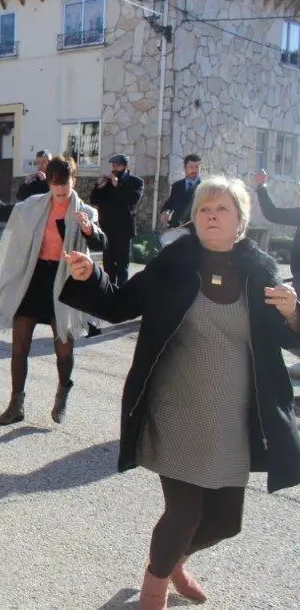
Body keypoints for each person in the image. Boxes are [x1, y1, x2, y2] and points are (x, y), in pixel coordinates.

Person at [61, 175, 300, 609]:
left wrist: (293, 313)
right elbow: (120, 303)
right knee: (185, 512)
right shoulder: (175, 262)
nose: (211, 215)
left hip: (232, 417)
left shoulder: (260, 270)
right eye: (204, 209)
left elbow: (290, 340)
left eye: (222, 208)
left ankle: (173, 561)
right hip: (175, 407)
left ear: (241, 220)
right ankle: (154, 589)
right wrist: (91, 275)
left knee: (226, 522)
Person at [0, 156, 106, 426]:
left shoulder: (85, 212)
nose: (60, 189)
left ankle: (63, 391)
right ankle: (16, 405)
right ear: (49, 183)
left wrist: (88, 229)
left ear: (73, 181)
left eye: (65, 183)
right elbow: (2, 212)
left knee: (63, 347)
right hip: (33, 280)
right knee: (20, 345)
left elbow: (101, 243)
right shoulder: (34, 206)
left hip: (65, 281)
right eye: (55, 183)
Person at [89, 153, 145, 287]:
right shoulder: (107, 182)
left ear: (126, 167)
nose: (114, 169)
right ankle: (109, 290)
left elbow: (131, 200)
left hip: (123, 230)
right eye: (113, 166)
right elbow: (94, 200)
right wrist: (98, 187)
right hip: (107, 229)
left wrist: (117, 185)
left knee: (122, 265)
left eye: (118, 166)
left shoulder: (136, 182)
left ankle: (122, 291)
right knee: (108, 264)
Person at [159, 154, 202, 228]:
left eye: (197, 167)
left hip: (196, 229)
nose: (194, 170)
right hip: (176, 227)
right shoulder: (176, 186)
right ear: (185, 168)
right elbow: (170, 203)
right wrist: (166, 211)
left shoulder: (204, 188)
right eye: (191, 167)